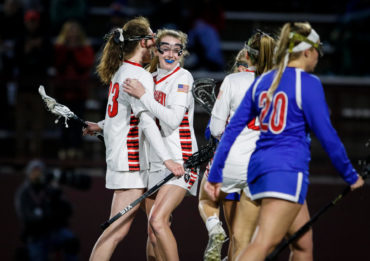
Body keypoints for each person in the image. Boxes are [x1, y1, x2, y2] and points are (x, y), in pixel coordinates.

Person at [206, 22, 364, 261]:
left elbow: (230, 131)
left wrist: (216, 174)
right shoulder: (308, 83)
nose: (319, 57)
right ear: (307, 51)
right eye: (318, 50)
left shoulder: (262, 82)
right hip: (286, 172)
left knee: (302, 246)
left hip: (259, 170)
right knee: (262, 244)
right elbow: (328, 137)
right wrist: (351, 175)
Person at [84, 17, 184, 261]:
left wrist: (100, 126)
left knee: (155, 229)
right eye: (152, 39)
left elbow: (121, 116)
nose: (156, 45)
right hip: (133, 161)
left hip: (127, 159)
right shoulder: (140, 75)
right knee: (116, 232)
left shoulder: (123, 71)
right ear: (142, 43)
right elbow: (146, 122)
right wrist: (168, 159)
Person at [123, 28, 198, 261]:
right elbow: (138, 116)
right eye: (165, 48)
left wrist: (144, 95)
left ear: (181, 54)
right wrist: (101, 125)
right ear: (156, 50)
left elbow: (173, 119)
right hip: (155, 160)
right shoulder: (150, 78)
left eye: (177, 50)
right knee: (153, 231)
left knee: (157, 220)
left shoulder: (183, 77)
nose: (170, 54)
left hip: (180, 160)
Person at [199, 32, 276, 261]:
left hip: (231, 162)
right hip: (261, 167)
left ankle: (214, 227)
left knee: (206, 198)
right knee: (242, 238)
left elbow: (214, 130)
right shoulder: (281, 84)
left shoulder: (233, 80)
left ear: (248, 57)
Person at [14, 159, 79, 261]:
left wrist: (56, 193)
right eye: (34, 171)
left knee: (71, 242)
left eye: (39, 171)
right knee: (37, 253)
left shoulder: (49, 189)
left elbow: (67, 210)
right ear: (29, 173)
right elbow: (27, 217)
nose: (37, 174)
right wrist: (45, 216)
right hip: (36, 233)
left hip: (54, 230)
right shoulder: (25, 192)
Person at [54, 20, 94, 159]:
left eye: (74, 30)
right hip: (63, 91)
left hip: (79, 92)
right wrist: (67, 51)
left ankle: (76, 150)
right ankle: (64, 149)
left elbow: (86, 64)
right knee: (63, 123)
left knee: (78, 124)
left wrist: (74, 52)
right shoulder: (59, 48)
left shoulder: (85, 48)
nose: (72, 33)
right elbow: (57, 63)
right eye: (69, 30)